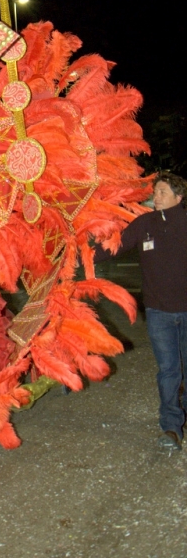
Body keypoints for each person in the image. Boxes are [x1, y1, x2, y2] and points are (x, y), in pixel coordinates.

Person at [95, 171, 187, 451]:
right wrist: (80, 254)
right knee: (169, 370)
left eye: (162, 193)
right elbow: (114, 248)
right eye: (155, 192)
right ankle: (171, 426)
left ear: (178, 198)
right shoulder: (144, 224)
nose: (155, 197)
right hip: (159, 312)